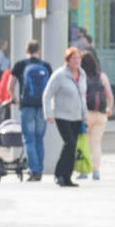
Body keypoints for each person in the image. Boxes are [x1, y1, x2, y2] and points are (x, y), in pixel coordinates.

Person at [44, 46, 88, 188]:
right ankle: (59, 173)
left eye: (78, 58)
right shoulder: (60, 75)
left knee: (72, 147)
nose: (77, 61)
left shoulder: (82, 74)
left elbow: (82, 96)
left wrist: (85, 114)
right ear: (67, 60)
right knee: (69, 143)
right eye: (73, 58)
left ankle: (67, 177)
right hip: (62, 115)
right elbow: (47, 94)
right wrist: (48, 113)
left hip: (77, 116)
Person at [10, 39, 52, 181]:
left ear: (26, 51)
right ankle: (40, 169)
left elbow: (10, 85)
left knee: (29, 140)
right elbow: (51, 88)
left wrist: (14, 98)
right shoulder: (46, 66)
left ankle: (34, 171)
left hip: (26, 106)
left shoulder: (20, 65)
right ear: (38, 51)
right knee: (39, 139)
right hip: (42, 107)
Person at [78, 50, 113, 180]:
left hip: (86, 114)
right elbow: (109, 95)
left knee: (84, 142)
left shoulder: (81, 77)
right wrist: (109, 108)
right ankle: (96, 171)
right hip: (101, 114)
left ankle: (83, 171)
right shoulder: (102, 76)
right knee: (96, 143)